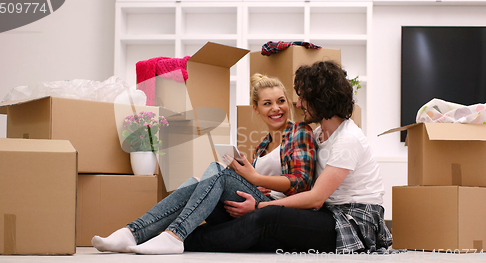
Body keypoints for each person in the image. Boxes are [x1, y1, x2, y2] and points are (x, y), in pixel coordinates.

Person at [91, 73, 316, 254]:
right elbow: (268, 184)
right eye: (267, 103)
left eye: (281, 101)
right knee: (195, 182)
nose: (276, 108)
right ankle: (132, 233)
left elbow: (302, 182)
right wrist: (258, 186)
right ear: (256, 109)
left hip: (276, 217)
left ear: (288, 102)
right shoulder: (261, 146)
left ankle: (174, 236)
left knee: (218, 171)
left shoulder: (300, 132)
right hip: (252, 207)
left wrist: (255, 179)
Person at [183, 61, 393, 254]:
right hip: (328, 212)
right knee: (235, 207)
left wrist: (258, 205)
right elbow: (305, 179)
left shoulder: (348, 139)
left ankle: (188, 241)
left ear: (320, 100)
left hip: (353, 221)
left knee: (268, 216)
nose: (299, 104)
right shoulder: (319, 134)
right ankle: (176, 234)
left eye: (303, 98)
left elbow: (316, 197)